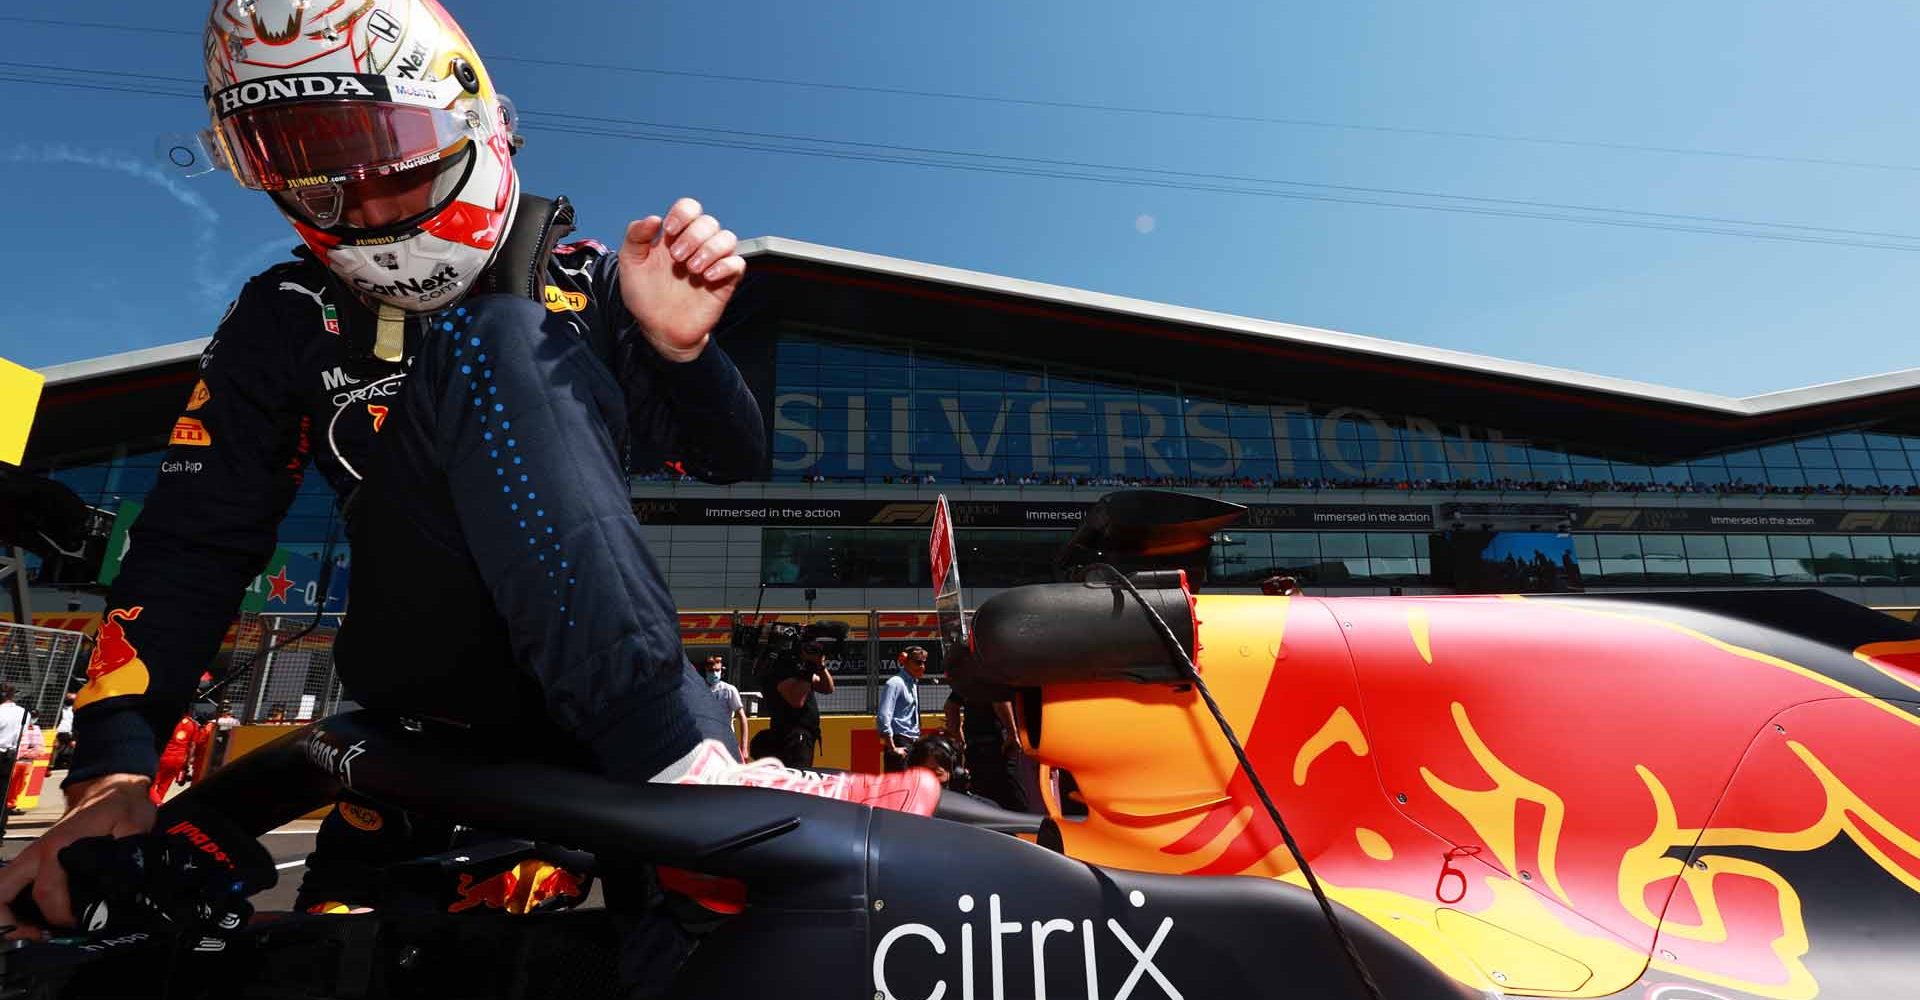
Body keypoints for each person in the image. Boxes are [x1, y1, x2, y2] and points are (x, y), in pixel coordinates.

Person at [0, 0, 934, 946]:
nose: (358, 204)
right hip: (428, 673)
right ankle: (680, 768)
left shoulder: (595, 284)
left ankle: (682, 772)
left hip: (606, 688)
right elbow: (192, 544)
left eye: (384, 155)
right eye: (312, 176)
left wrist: (682, 353)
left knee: (502, 335)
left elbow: (734, 457)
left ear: (471, 122)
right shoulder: (284, 316)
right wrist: (112, 775)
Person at [944, 692, 1029, 812]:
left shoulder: (970, 680)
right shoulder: (996, 678)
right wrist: (1012, 734)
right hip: (998, 747)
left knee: (982, 799)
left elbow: (950, 706)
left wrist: (957, 736)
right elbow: (999, 700)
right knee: (1015, 800)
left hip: (975, 747)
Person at [764, 641, 834, 768]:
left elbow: (828, 688)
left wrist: (820, 666)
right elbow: (797, 701)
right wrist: (809, 669)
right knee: (796, 777)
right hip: (791, 736)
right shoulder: (782, 671)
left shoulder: (802, 672)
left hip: (806, 735)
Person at [876, 646, 928, 772]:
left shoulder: (913, 683)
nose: (922, 666)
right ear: (905, 661)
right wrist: (892, 747)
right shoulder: (895, 683)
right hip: (899, 742)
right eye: (918, 662)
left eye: (924, 663)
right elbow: (883, 716)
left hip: (912, 744)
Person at [701, 656, 748, 759]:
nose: (714, 673)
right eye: (711, 670)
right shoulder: (699, 690)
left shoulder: (729, 690)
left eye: (717, 670)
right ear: (705, 671)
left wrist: (744, 747)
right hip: (705, 744)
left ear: (722, 671)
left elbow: (742, 718)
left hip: (727, 742)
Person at [52, 694, 72, 771]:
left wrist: (73, 738)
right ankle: (52, 766)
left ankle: (66, 764)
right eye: (69, 698)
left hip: (68, 733)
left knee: (72, 748)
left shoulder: (73, 709)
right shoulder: (60, 708)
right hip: (58, 732)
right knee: (56, 748)